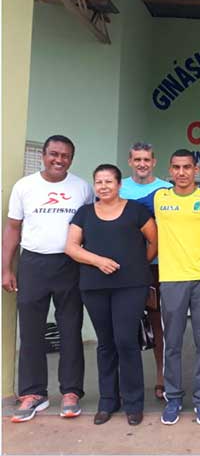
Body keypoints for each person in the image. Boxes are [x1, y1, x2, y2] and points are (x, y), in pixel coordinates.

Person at [138, 149, 200, 426]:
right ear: (170, 171)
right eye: (176, 167)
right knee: (173, 343)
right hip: (171, 278)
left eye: (187, 167)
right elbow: (127, 209)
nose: (181, 173)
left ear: (196, 169)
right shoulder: (159, 197)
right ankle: (174, 398)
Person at [2, 135, 94, 423]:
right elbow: (13, 229)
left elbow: (89, 228)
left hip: (70, 263)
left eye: (65, 155)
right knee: (31, 330)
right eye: (54, 154)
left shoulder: (82, 188)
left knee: (70, 329)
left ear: (71, 158)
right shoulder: (25, 186)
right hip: (33, 263)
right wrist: (6, 268)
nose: (59, 159)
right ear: (43, 155)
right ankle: (32, 393)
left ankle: (70, 392)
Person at [65, 164, 157, 426]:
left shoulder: (136, 211)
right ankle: (108, 401)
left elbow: (154, 241)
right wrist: (98, 261)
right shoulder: (84, 213)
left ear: (119, 185)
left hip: (131, 287)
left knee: (126, 341)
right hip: (94, 286)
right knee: (105, 344)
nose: (103, 186)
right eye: (99, 182)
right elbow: (71, 247)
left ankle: (133, 403)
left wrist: (138, 266)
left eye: (108, 181)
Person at [119, 142, 171, 400]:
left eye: (146, 159)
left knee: (157, 324)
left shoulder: (167, 190)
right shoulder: (119, 189)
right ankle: (126, 383)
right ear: (130, 161)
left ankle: (162, 378)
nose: (142, 164)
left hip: (157, 268)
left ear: (154, 161)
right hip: (122, 269)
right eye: (137, 159)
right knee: (123, 326)